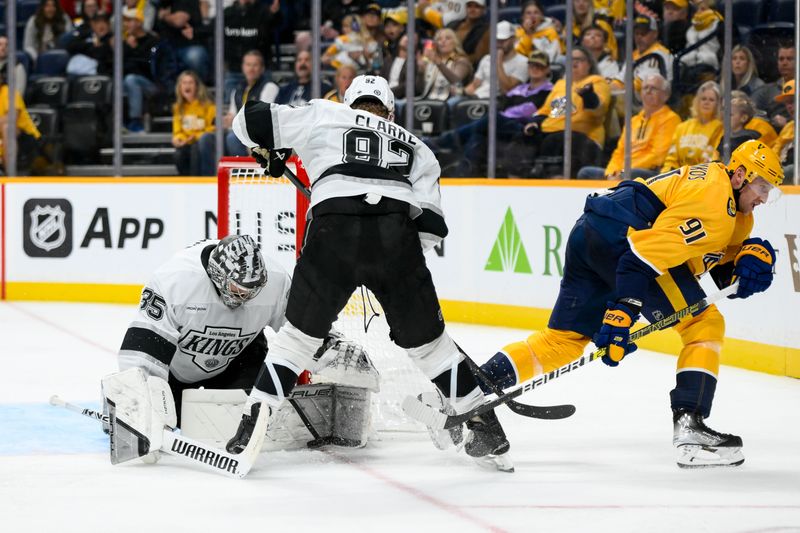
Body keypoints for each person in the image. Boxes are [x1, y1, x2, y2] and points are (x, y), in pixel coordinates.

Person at [226, 75, 512, 470]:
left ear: (348, 102)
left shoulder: (324, 114)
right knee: (431, 347)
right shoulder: (419, 147)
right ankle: (485, 425)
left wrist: (269, 149)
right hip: (397, 237)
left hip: (333, 230)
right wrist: (394, 268)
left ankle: (255, 417)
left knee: (297, 340)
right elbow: (430, 229)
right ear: (391, 113)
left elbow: (247, 119)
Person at [480, 139, 785, 468]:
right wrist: (621, 313)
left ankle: (470, 387)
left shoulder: (725, 200)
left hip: (592, 232)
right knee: (703, 324)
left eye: (770, 190)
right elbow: (641, 257)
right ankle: (690, 426)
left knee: (563, 341)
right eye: (762, 186)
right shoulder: (714, 202)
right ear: (739, 174)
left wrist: (747, 263)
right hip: (624, 242)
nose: (764, 198)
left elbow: (709, 265)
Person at [117, 235, 291, 424]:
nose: (248, 295)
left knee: (244, 422)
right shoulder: (175, 280)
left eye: (253, 289)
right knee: (162, 421)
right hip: (174, 370)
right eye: (238, 288)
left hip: (238, 360)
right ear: (218, 275)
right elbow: (143, 351)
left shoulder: (277, 280)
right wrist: (138, 406)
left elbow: (301, 334)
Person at [427, 50, 553, 177]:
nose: (535, 69)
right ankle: (464, 174)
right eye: (532, 65)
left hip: (526, 126)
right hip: (506, 122)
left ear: (547, 69)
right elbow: (503, 103)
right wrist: (507, 108)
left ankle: (441, 141)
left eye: (540, 66)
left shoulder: (549, 90)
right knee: (478, 136)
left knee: (492, 119)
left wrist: (507, 108)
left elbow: (526, 110)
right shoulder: (520, 89)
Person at [506, 46, 611, 178]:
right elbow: (548, 110)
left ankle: (557, 181)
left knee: (556, 140)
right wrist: (535, 122)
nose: (574, 62)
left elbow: (598, 111)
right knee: (521, 138)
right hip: (551, 131)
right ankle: (516, 182)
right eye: (571, 59)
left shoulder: (597, 82)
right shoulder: (562, 84)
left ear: (589, 64)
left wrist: (589, 96)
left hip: (583, 137)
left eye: (579, 59)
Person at [578, 73, 680, 180]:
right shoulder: (633, 121)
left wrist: (624, 171)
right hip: (623, 171)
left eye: (653, 88)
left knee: (630, 174)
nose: (648, 91)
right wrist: (611, 173)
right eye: (645, 88)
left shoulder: (671, 119)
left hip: (650, 172)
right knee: (585, 173)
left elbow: (658, 156)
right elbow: (619, 152)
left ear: (665, 95)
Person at [224, 50, 279, 156]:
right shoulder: (238, 89)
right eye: (248, 65)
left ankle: (245, 169)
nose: (251, 69)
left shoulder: (269, 87)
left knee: (232, 138)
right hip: (243, 131)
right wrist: (227, 120)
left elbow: (261, 117)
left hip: (263, 134)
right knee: (211, 138)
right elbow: (232, 115)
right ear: (243, 67)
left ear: (262, 69)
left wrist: (235, 120)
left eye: (255, 65)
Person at [661, 80, 723, 172]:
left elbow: (712, 159)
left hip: (701, 176)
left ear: (718, 104)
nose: (706, 102)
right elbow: (671, 158)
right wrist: (666, 174)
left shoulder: (720, 128)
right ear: (697, 101)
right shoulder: (682, 127)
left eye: (711, 100)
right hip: (677, 175)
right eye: (703, 99)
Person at [463, 21, 529, 100]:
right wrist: (460, 93)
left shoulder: (523, 62)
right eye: (497, 40)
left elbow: (507, 89)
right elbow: (474, 85)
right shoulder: (486, 59)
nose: (499, 43)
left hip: (497, 101)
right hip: (477, 97)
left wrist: (498, 61)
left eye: (504, 40)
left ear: (513, 39)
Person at [121, 6, 161, 133]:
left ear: (139, 22)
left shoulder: (153, 42)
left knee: (131, 79)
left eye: (130, 20)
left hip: (152, 85)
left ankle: (136, 121)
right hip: (128, 82)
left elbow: (150, 64)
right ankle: (121, 122)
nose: (126, 24)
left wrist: (135, 49)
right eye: (125, 21)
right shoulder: (124, 43)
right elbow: (120, 66)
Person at [613, 14, 674, 93]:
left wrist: (617, 90)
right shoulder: (634, 54)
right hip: (637, 99)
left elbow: (642, 85)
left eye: (643, 33)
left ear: (655, 34)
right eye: (636, 33)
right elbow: (620, 80)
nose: (639, 37)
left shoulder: (659, 54)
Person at [171, 70, 215, 176]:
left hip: (202, 143)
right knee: (179, 154)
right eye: (184, 83)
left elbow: (213, 128)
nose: (187, 85)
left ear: (197, 86)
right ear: (180, 87)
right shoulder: (177, 107)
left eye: (190, 82)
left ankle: (196, 181)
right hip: (186, 143)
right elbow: (177, 131)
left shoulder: (209, 106)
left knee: (195, 149)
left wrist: (195, 137)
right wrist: (179, 139)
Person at [155, 0, 210, 82]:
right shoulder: (158, 3)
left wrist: (164, 16)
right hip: (165, 46)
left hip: (187, 45)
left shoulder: (185, 2)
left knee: (194, 55)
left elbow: (179, 21)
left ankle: (200, 86)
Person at [0, 72, 42, 175]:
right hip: (2, 143)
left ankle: (10, 174)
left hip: (25, 140)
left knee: (7, 127)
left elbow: (11, 118)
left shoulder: (8, 92)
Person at [417, 28, 473, 102]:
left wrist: (439, 63)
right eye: (439, 39)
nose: (443, 41)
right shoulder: (431, 62)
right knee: (400, 104)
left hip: (450, 101)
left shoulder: (461, 61)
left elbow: (456, 81)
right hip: (428, 99)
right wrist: (420, 70)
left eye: (448, 38)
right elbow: (420, 90)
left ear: (455, 42)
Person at [751, 43, 795, 132]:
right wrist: (771, 122)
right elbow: (752, 116)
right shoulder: (765, 92)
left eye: (790, 59)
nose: (784, 63)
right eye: (781, 59)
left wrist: (787, 122)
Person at [514, 0, 561, 64]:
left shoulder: (550, 31)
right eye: (528, 13)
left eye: (536, 12)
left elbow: (552, 57)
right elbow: (516, 56)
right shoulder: (517, 32)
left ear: (541, 16)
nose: (532, 16)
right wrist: (528, 34)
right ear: (523, 17)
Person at [448, 0, 489, 68]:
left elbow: (478, 56)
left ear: (483, 9)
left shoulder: (486, 29)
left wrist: (457, 60)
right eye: (469, 6)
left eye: (477, 7)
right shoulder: (452, 24)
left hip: (466, 67)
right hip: (445, 61)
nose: (472, 10)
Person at [772, 79, 795, 177]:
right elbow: (774, 155)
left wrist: (775, 175)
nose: (789, 106)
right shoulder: (789, 127)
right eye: (787, 103)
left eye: (793, 101)